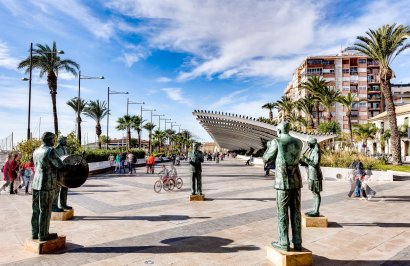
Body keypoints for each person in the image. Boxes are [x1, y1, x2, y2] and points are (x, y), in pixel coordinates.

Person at [263, 121, 303, 252]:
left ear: (279, 131)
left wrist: (269, 147)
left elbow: (266, 158)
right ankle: (297, 242)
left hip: (282, 183)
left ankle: (283, 242)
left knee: (282, 213)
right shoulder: (299, 142)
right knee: (296, 212)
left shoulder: (277, 141)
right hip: (296, 182)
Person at [31, 132, 74, 241]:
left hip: (36, 183)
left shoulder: (36, 151)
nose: (54, 141)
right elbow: (60, 165)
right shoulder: (50, 150)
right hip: (46, 183)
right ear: (49, 139)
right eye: (53, 139)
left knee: (36, 210)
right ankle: (43, 235)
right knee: (45, 210)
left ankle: (35, 233)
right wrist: (72, 166)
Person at [300, 137, 323, 217]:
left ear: (312, 143)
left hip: (315, 175)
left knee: (316, 193)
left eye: (309, 143)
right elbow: (310, 163)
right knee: (314, 193)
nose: (308, 145)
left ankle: (316, 211)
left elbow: (315, 163)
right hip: (312, 174)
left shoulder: (316, 151)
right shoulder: (312, 150)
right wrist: (302, 161)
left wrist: (305, 159)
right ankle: (314, 209)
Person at [52, 135, 71, 212]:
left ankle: (63, 204)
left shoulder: (65, 148)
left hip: (64, 172)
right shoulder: (55, 149)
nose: (66, 142)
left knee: (64, 188)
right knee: (56, 190)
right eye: (65, 140)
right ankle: (54, 206)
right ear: (60, 141)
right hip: (57, 171)